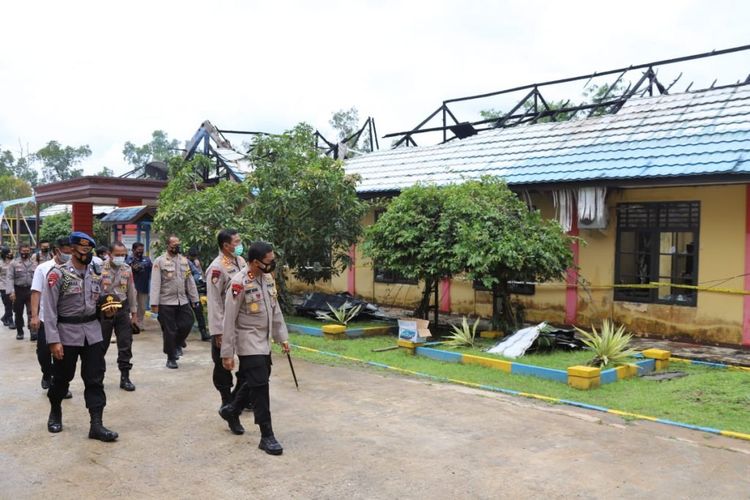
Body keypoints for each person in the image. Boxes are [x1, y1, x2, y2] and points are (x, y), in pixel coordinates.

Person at [43, 231, 118, 441]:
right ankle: (55, 411)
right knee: (62, 378)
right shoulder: (58, 274)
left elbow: (101, 300)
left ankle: (96, 425)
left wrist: (108, 308)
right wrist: (53, 340)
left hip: (92, 332)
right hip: (66, 334)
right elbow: (49, 310)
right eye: (82, 250)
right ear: (72, 250)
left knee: (95, 378)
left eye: (89, 250)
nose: (86, 254)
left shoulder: (95, 273)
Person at [219, 241, 289, 455]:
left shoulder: (267, 279)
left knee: (258, 377)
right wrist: (227, 353)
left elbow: (275, 310)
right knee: (260, 386)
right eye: (269, 261)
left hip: (264, 339)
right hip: (247, 340)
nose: (272, 264)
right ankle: (266, 435)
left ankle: (232, 409)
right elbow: (228, 320)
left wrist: (282, 337)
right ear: (255, 262)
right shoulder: (239, 283)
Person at [205, 229, 246, 434]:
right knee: (223, 367)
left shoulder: (241, 261)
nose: (240, 244)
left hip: (243, 324)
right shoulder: (216, 268)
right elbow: (214, 303)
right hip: (224, 326)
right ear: (225, 245)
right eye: (236, 242)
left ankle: (238, 399)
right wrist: (219, 332)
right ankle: (227, 403)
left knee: (250, 366)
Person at [30, 236, 74, 396]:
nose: (70, 255)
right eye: (67, 252)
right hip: (45, 318)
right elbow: (36, 292)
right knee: (43, 352)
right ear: (57, 251)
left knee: (64, 355)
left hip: (66, 320)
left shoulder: (73, 268)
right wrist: (34, 316)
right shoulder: (43, 268)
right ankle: (47, 373)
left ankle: (61, 384)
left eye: (72, 251)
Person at [150, 235, 199, 369]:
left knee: (188, 323)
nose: (177, 246)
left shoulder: (184, 261)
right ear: (168, 246)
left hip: (182, 300)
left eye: (179, 244)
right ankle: (171, 357)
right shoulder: (159, 261)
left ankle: (177, 343)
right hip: (166, 301)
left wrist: (195, 299)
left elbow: (190, 281)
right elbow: (155, 283)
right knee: (169, 331)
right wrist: (154, 304)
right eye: (174, 244)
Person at [99, 241, 138, 391]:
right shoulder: (99, 268)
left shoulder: (127, 269)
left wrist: (134, 315)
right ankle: (98, 377)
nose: (121, 257)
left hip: (122, 309)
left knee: (125, 344)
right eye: (118, 255)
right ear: (109, 254)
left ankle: (125, 377)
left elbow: (131, 292)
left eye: (123, 255)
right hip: (104, 310)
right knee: (101, 345)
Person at [7, 243, 37, 340]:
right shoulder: (14, 263)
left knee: (32, 312)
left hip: (30, 290)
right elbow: (10, 278)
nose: (25, 253)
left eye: (27, 251)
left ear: (30, 252)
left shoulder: (34, 263)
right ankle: (20, 332)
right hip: (18, 291)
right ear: (20, 251)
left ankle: (33, 331)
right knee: (18, 313)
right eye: (23, 251)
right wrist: (12, 292)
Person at [125, 242, 152, 331]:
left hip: (143, 287)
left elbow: (146, 266)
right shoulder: (129, 259)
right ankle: (131, 323)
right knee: (132, 305)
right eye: (138, 250)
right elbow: (130, 266)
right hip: (131, 287)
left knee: (142, 307)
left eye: (142, 250)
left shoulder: (146, 259)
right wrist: (135, 266)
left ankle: (139, 323)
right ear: (133, 250)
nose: (140, 252)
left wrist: (138, 266)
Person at [187, 247, 210, 341]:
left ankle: (204, 333)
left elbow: (199, 275)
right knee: (185, 315)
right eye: (192, 256)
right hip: (184, 293)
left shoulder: (196, 263)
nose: (194, 258)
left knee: (199, 312)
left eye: (195, 256)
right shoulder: (184, 262)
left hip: (194, 292)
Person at [1, 246, 15, 329]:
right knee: (8, 304)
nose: (11, 253)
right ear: (6, 254)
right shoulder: (0, 263)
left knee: (13, 305)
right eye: (10, 252)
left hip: (14, 286)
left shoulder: (14, 262)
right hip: (4, 287)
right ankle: (10, 321)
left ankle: (4, 318)